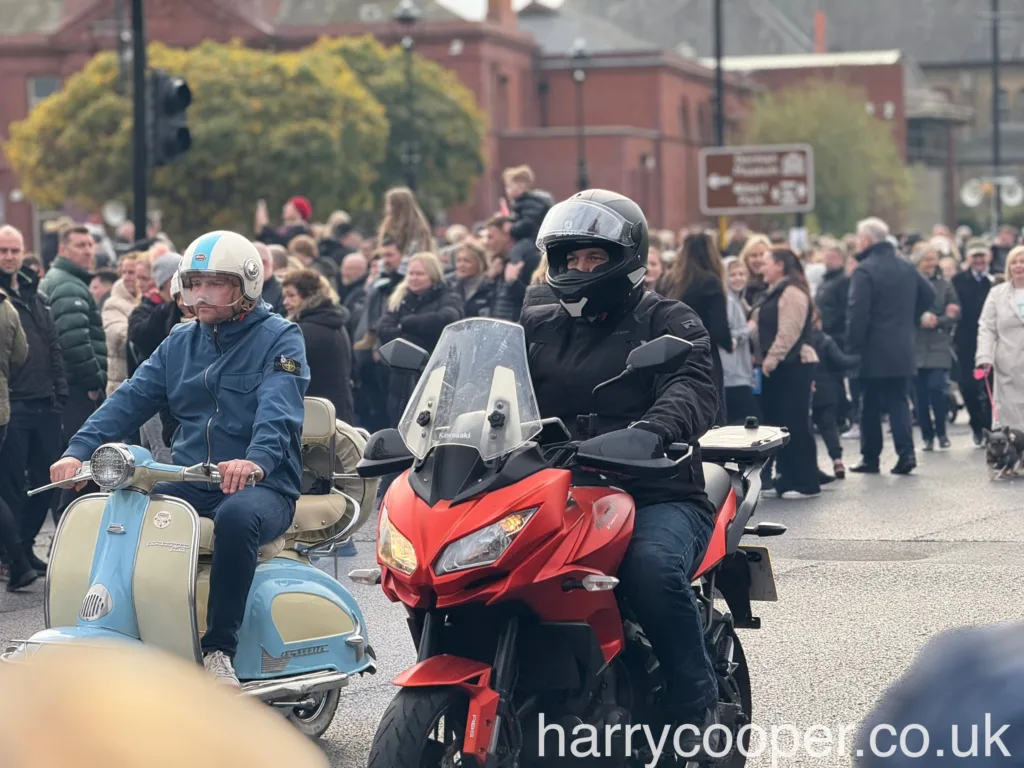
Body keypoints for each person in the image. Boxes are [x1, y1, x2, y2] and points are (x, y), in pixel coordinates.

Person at [48, 231, 309, 687]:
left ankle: (219, 649)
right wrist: (77, 450)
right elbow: (129, 398)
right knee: (129, 509)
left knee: (237, 519)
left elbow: (279, 410)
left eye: (215, 283)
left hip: (261, 485)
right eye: (193, 283)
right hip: (191, 476)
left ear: (246, 286)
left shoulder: (280, 339)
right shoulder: (179, 341)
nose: (200, 294)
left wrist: (256, 461)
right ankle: (125, 628)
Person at [522, 189, 721, 750]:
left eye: (596, 258)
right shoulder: (535, 323)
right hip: (555, 484)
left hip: (655, 486)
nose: (580, 269)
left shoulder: (669, 319)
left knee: (651, 570)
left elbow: (693, 388)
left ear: (626, 259)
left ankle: (695, 705)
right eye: (571, 258)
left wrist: (651, 430)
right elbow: (493, 385)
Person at [846, 217, 935, 475]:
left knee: (869, 405)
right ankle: (906, 455)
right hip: (902, 346)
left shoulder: (864, 270)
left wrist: (852, 346)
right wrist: (910, 320)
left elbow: (857, 313)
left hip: (872, 348)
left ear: (866, 240)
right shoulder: (906, 266)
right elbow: (928, 293)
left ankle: (870, 458)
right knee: (899, 402)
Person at [976, 245, 1024, 431]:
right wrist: (984, 357)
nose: (1019, 266)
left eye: (1022, 262)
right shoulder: (997, 294)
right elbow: (987, 327)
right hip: (1007, 365)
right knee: (1011, 416)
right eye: (1014, 262)